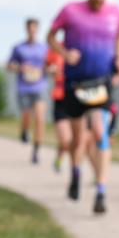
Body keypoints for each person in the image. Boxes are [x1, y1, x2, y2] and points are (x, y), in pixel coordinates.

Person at [47, 0, 119, 215]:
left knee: (100, 133)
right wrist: (65, 53)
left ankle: (101, 190)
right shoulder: (70, 10)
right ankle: (76, 172)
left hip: (101, 82)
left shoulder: (115, 12)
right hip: (75, 84)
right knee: (77, 139)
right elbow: (50, 37)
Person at [8, 19, 49, 165]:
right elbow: (10, 66)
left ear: (37, 29)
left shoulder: (44, 48)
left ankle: (36, 151)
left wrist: (48, 69)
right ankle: (24, 130)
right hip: (23, 87)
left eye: (34, 28)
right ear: (26, 29)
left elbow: (50, 65)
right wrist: (20, 68)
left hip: (39, 86)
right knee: (26, 115)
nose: (32, 31)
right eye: (29, 28)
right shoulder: (18, 48)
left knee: (39, 117)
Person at [46, 41, 73, 173]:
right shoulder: (57, 46)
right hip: (60, 97)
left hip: (79, 97)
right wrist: (51, 69)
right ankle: (60, 157)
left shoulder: (83, 45)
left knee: (80, 140)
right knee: (66, 140)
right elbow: (47, 65)